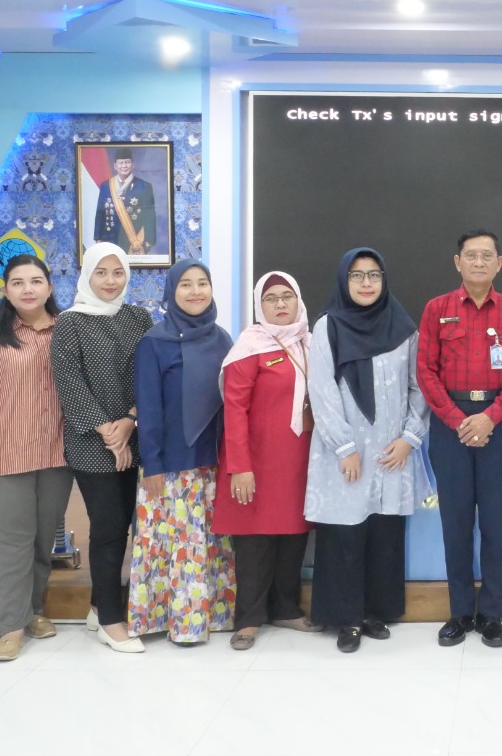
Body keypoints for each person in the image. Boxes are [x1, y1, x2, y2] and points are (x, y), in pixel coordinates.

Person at [305, 248, 430, 653]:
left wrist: (409, 438)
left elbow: (419, 387)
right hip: (345, 451)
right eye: (357, 276)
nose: (365, 283)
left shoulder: (403, 327)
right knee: (344, 534)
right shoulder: (328, 326)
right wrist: (343, 446)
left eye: (373, 275)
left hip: (392, 452)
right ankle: (346, 618)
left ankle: (377, 611)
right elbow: (321, 390)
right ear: (344, 281)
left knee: (384, 534)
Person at [416, 230, 502, 649]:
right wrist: (457, 420)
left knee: (497, 523)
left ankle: (492, 615)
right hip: (450, 425)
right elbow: (425, 371)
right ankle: (460, 612)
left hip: (498, 424)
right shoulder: (437, 309)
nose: (479, 263)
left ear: (499, 263)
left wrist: (489, 418)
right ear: (458, 262)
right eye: (471, 256)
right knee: (455, 523)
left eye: (487, 256)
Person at [0, 254, 71, 662]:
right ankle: (9, 627)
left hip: (56, 456)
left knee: (42, 541)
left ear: (49, 287)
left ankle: (33, 611)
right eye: (18, 282)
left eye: (36, 281)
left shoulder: (66, 330)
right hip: (4, 458)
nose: (27, 289)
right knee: (8, 544)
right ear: (5, 290)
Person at [50, 242, 152, 653]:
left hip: (135, 435)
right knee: (108, 528)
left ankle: (97, 605)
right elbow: (69, 382)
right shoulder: (69, 323)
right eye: (102, 272)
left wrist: (129, 421)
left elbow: (150, 374)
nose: (111, 281)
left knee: (127, 525)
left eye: (118, 272)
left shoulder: (138, 317)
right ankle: (112, 620)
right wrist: (109, 433)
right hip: (91, 443)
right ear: (87, 275)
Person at [129, 258, 237, 645]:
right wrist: (153, 464)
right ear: (171, 291)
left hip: (213, 461)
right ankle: (176, 621)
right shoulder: (154, 341)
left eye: (202, 283)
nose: (195, 291)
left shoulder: (222, 338)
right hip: (171, 464)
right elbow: (149, 407)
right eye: (185, 284)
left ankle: (215, 616)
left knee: (209, 542)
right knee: (173, 543)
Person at [217, 271, 319, 651]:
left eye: (287, 297)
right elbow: (234, 410)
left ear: (298, 301)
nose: (280, 304)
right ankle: (248, 619)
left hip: (301, 458)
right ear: (260, 305)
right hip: (257, 461)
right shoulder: (250, 347)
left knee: (294, 534)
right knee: (254, 541)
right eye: (271, 298)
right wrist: (240, 466)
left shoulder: (311, 343)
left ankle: (285, 608)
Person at [94, 147, 158, 255]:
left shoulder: (144, 186)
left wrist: (149, 240)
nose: (124, 166)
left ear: (133, 164)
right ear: (115, 166)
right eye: (121, 163)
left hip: (135, 240)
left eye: (127, 162)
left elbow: (150, 214)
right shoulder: (106, 186)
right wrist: (98, 237)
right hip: (110, 237)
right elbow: (100, 213)